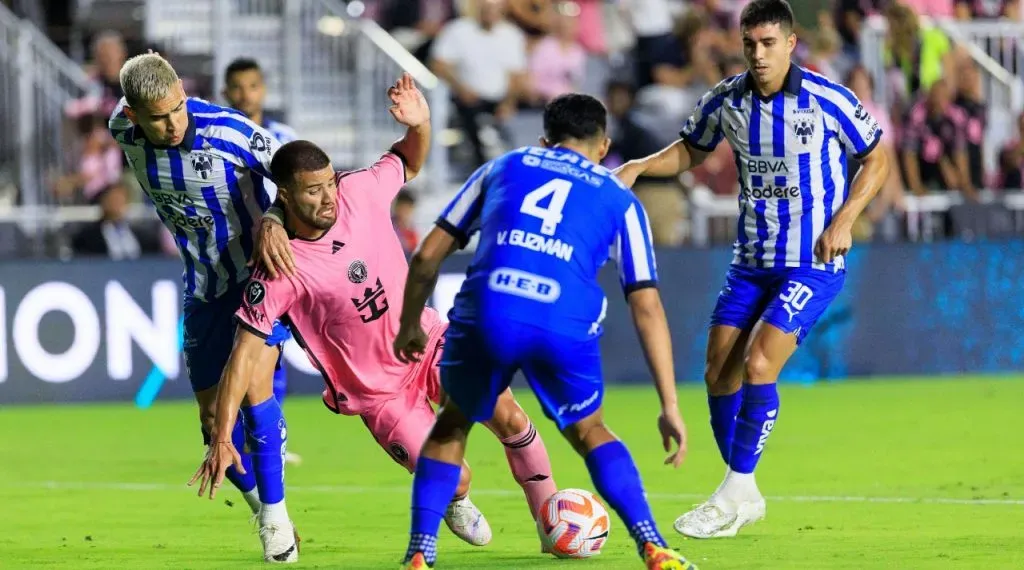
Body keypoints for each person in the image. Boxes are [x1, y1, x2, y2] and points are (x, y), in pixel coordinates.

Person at [189, 73, 558, 552]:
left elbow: (410, 157)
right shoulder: (279, 269)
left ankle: (552, 526)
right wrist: (221, 434)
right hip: (377, 392)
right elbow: (244, 352)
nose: (327, 199)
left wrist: (421, 123)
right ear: (283, 194)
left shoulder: (359, 190)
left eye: (328, 184)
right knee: (456, 478)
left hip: (425, 342)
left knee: (508, 414)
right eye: (312, 191)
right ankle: (455, 498)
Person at [614, 0, 890, 540]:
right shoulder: (726, 101)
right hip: (750, 262)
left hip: (813, 260)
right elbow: (691, 151)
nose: (758, 55)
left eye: (768, 44)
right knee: (719, 372)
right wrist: (642, 167)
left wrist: (846, 218)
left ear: (791, 44)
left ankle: (735, 489)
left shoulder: (827, 99)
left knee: (761, 364)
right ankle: (741, 488)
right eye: (749, 44)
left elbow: (876, 157)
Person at [393, 93, 696, 570]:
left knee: (452, 424)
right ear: (604, 147)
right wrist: (670, 404)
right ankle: (652, 544)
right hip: (561, 320)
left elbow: (429, 254)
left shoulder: (503, 167)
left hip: (487, 309)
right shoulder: (620, 199)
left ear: (544, 140)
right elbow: (646, 304)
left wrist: (410, 324)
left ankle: (419, 552)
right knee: (589, 430)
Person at [109, 52, 299, 562]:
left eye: (178, 109)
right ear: (132, 116)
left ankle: (277, 520)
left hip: (256, 275)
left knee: (255, 386)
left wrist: (277, 216)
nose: (173, 124)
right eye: (158, 117)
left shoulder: (231, 131)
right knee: (212, 422)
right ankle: (262, 504)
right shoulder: (120, 130)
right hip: (203, 285)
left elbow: (296, 172)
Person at [222, 56, 303, 465]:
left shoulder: (284, 137)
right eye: (236, 88)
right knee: (240, 348)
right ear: (225, 92)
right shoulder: (217, 140)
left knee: (274, 348)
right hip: (232, 253)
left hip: (280, 255)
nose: (244, 95)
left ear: (263, 90)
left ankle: (269, 434)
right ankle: (242, 434)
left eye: (252, 86)